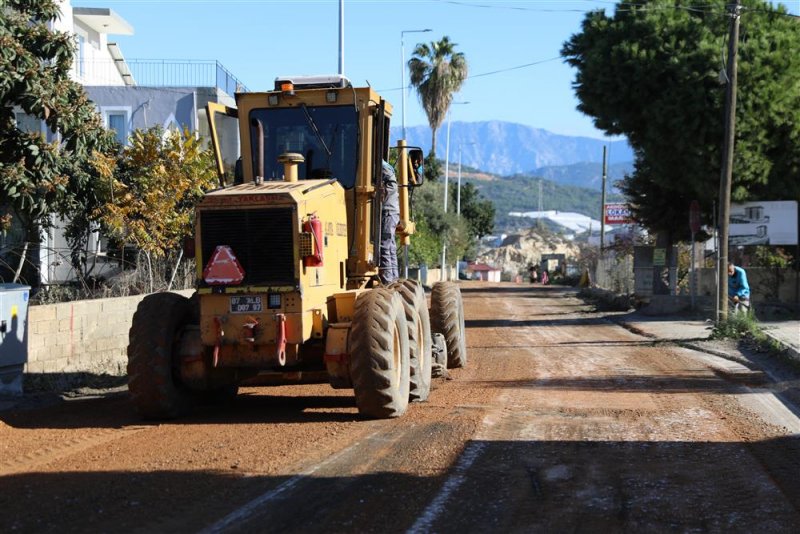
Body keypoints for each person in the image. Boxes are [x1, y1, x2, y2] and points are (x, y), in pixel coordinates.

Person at [379, 160, 399, 284]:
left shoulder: (385, 171)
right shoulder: (390, 172)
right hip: (392, 214)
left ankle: (388, 281)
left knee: (384, 247)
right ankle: (394, 279)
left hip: (387, 213)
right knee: (391, 247)